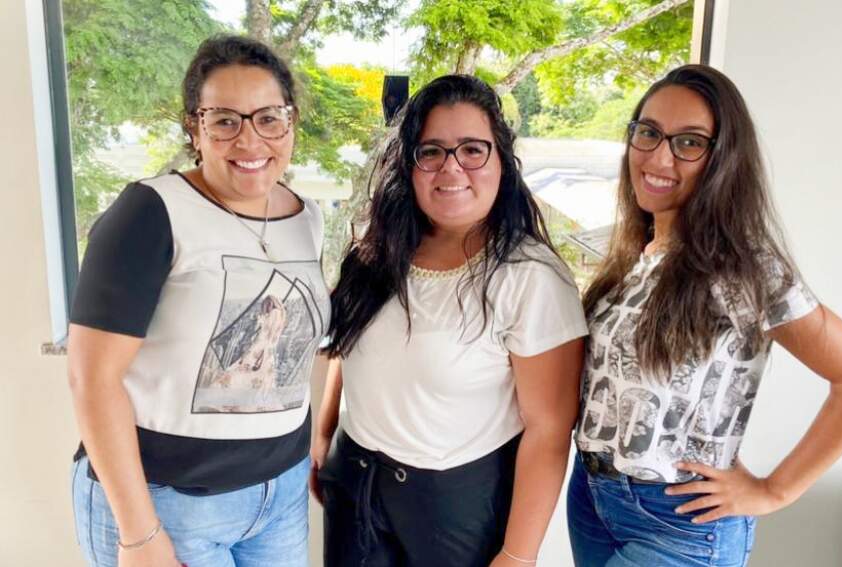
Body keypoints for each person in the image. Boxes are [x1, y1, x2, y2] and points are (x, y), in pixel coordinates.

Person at [567, 64, 842, 567]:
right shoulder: (635, 254)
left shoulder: (747, 268)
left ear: (723, 160)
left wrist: (774, 491)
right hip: (591, 499)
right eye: (648, 132)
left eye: (689, 143)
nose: (658, 157)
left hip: (679, 521)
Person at [67, 35, 328, 567]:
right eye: (225, 120)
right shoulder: (151, 212)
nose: (250, 140)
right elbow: (91, 379)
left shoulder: (308, 217)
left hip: (279, 494)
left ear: (291, 122)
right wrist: (139, 535)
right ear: (195, 127)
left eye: (269, 117)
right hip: (168, 500)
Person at [313, 74, 588, 567]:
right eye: (432, 151)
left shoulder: (530, 276)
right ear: (410, 163)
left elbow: (549, 429)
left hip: (456, 510)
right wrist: (323, 431)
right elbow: (344, 342)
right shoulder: (377, 249)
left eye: (472, 149)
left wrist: (518, 555)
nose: (451, 167)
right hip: (356, 482)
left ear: (501, 159)